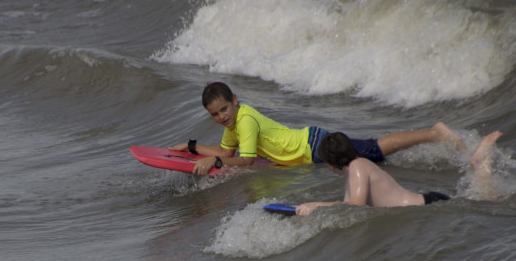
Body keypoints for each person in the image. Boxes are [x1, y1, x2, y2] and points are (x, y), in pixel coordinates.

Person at [170, 82, 465, 176]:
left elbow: (243, 161)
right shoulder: (235, 121)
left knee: (376, 149)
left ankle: (434, 134)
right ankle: (432, 139)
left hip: (315, 146)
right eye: (215, 114)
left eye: (224, 109)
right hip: (310, 146)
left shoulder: (244, 120)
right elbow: (227, 151)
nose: (221, 117)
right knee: (373, 160)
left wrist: (217, 161)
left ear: (235, 101)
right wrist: (195, 147)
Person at [294, 130, 503, 216]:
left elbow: (355, 207)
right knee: (479, 200)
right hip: (426, 203)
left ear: (330, 164)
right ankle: (478, 164)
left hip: (429, 204)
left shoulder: (358, 166)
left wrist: (316, 206)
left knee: (488, 203)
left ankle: (480, 163)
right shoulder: (357, 169)